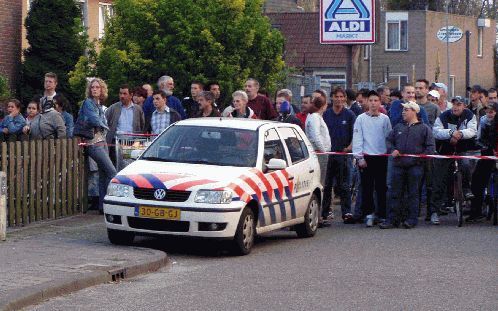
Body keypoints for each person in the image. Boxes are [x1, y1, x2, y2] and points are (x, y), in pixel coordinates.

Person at [380, 102, 435, 229]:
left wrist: (419, 159)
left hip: (415, 167)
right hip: (398, 165)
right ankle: (392, 219)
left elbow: (430, 148)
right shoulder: (398, 127)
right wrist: (392, 150)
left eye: (406, 110)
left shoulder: (424, 128)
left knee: (413, 194)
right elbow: (389, 140)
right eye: (403, 110)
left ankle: (411, 219)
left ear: (415, 111)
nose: (403, 112)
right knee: (395, 193)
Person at [430, 96, 478, 225]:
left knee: (467, 165)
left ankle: (466, 188)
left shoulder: (469, 115)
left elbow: (473, 131)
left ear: (464, 106)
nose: (456, 107)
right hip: (445, 150)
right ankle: (434, 211)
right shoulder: (443, 116)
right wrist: (450, 133)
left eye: (459, 104)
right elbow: (436, 131)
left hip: (463, 149)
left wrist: (460, 134)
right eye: (454, 104)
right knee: (439, 179)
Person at [74, 78, 117, 213]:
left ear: (102, 89)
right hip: (93, 143)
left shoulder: (98, 104)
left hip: (102, 141)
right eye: (92, 87)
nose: (94, 89)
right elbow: (93, 119)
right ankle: (112, 202)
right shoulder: (88, 103)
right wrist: (106, 127)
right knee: (112, 173)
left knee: (104, 174)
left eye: (97, 87)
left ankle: (102, 206)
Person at [352, 90, 392, 226]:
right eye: (371, 101)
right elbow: (357, 138)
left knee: (381, 187)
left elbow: (389, 137)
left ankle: (381, 214)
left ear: (380, 102)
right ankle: (368, 214)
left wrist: (389, 153)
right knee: (367, 188)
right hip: (367, 158)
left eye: (376, 101)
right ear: (367, 102)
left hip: (381, 157)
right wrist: (359, 157)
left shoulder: (385, 119)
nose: (373, 103)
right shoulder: (361, 119)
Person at [322, 87, 356, 224]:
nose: (340, 99)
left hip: (343, 155)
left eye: (342, 97)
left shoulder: (350, 115)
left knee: (344, 185)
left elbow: (355, 134)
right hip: (328, 155)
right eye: (337, 97)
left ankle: (346, 212)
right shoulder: (326, 114)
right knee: (327, 184)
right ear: (332, 98)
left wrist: (349, 148)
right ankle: (325, 212)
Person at [468, 103, 498, 223]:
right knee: (477, 179)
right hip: (488, 155)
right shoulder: (485, 123)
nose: (489, 115)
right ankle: (476, 211)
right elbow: (479, 140)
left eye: (492, 112)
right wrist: (485, 147)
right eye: (487, 112)